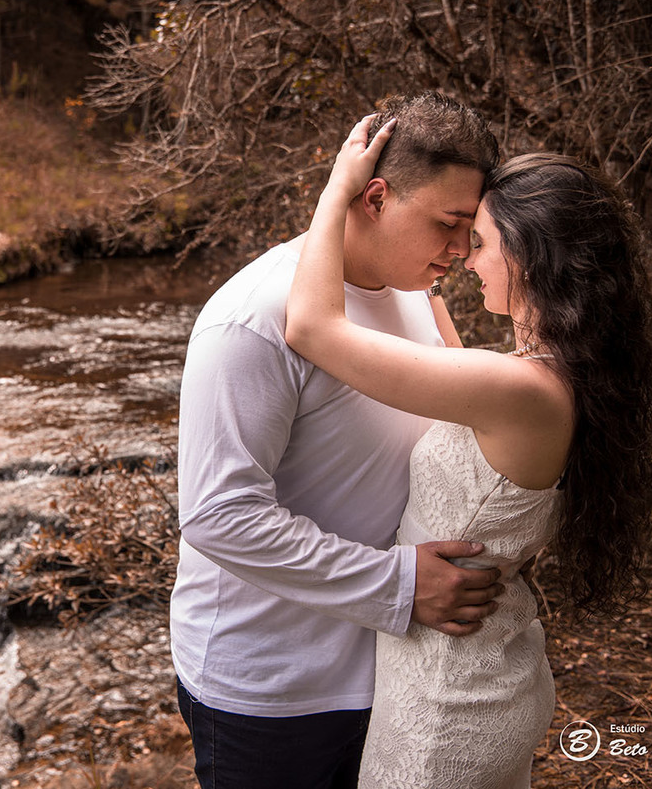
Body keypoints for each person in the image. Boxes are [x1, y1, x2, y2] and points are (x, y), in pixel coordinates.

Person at [284, 117, 652, 787]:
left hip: (447, 704)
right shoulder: (553, 374)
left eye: (482, 242)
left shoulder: (517, 390)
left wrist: (338, 192)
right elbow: (453, 377)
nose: (465, 256)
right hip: (486, 666)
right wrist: (415, 268)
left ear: (532, 259)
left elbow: (312, 328)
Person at [171, 92, 505, 789]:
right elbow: (217, 516)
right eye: (448, 224)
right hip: (271, 695)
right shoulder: (252, 320)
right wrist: (400, 584)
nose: (460, 249)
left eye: (470, 228)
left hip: (391, 671)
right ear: (375, 197)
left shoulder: (414, 291)